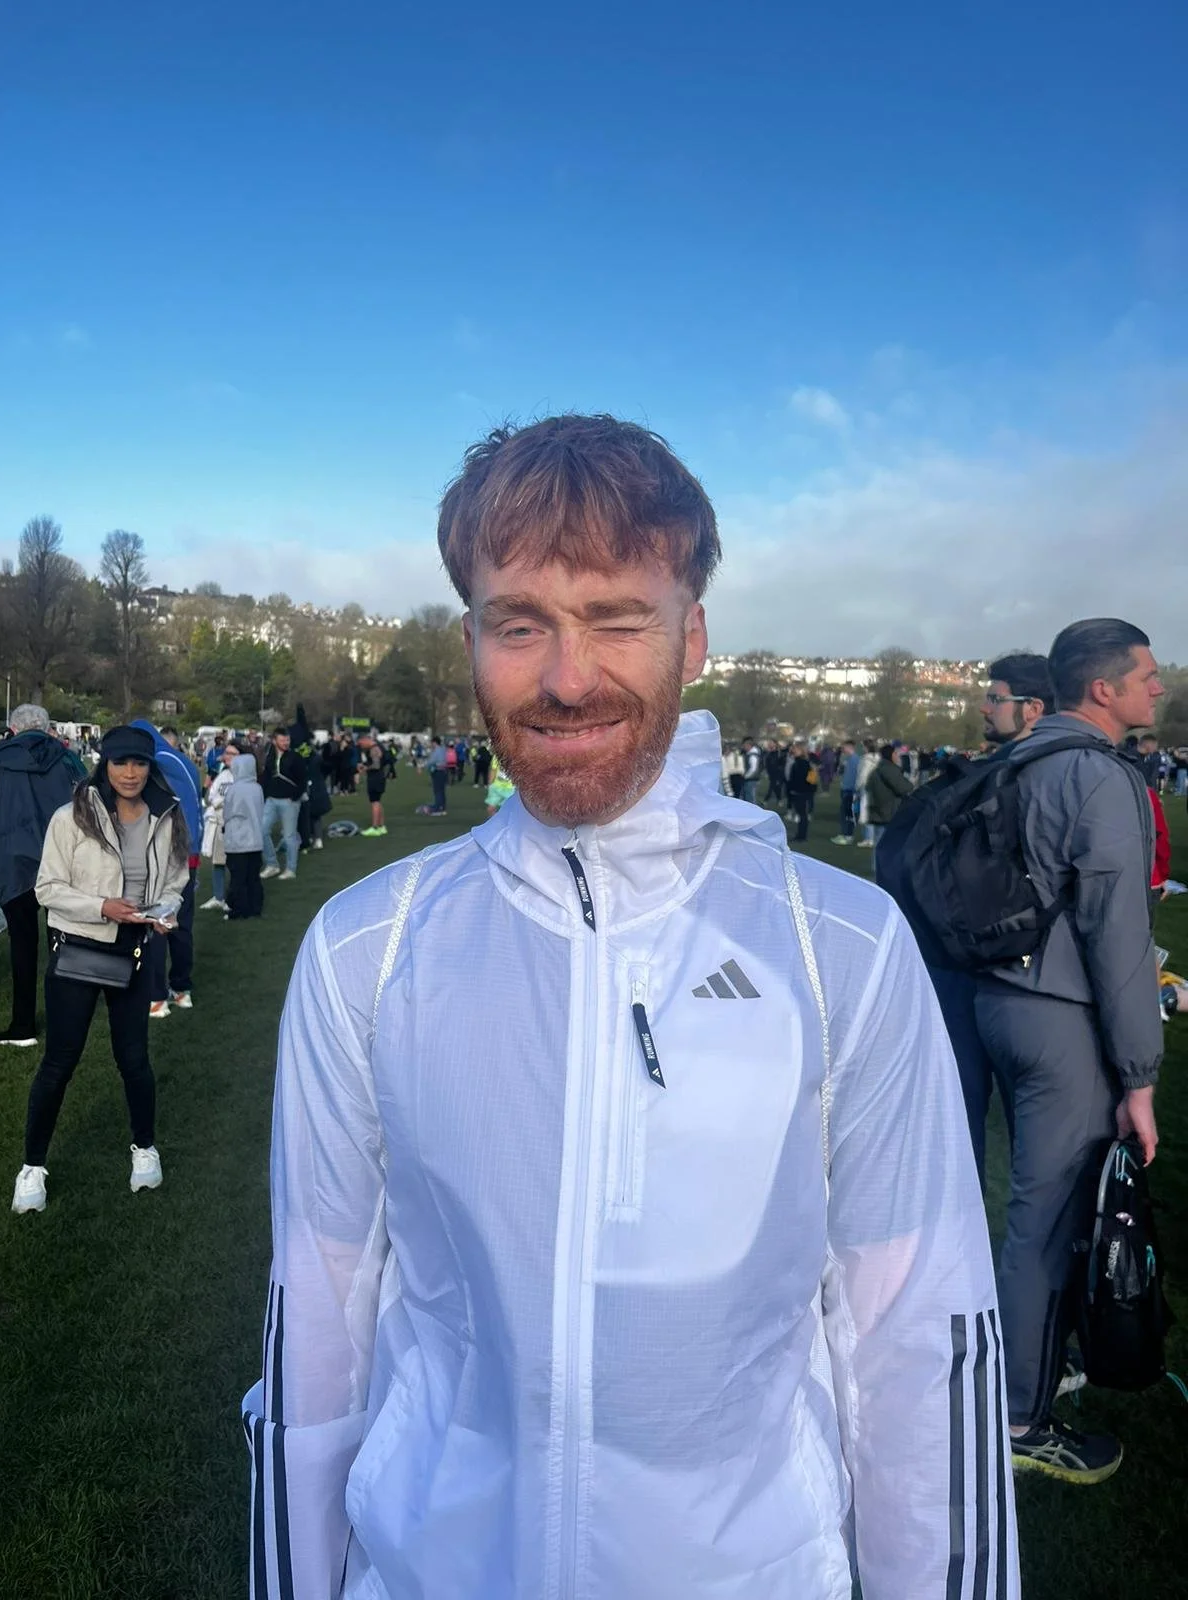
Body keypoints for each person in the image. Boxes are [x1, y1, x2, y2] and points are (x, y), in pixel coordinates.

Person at [244, 413, 1017, 1600]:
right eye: (521, 624)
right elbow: (317, 1346)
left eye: (616, 619)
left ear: (692, 634)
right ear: (472, 639)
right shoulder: (367, 948)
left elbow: (920, 1353)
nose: (566, 677)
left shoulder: (843, 950)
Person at [974, 619, 1163, 1482]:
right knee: (1043, 1228)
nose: (1157, 689)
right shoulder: (1098, 774)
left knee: (1015, 1215)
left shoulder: (1011, 761)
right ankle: (1016, 1419)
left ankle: (1028, 1367)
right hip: (1056, 1018)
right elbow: (1116, 936)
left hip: (988, 1002)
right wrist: (1141, 1077)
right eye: (1147, 677)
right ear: (1102, 691)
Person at [11, 725, 189, 1214]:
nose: (130, 773)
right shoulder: (72, 818)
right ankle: (32, 1166)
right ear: (104, 764)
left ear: (150, 767)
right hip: (78, 951)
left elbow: (176, 878)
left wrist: (164, 909)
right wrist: (101, 907)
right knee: (58, 1063)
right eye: (120, 763)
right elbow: (47, 889)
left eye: (139, 763)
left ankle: (144, 1147)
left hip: (135, 950)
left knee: (134, 1059)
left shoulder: (165, 817)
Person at [926, 653, 1054, 1185]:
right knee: (967, 1123)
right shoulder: (1000, 775)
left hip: (996, 972)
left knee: (1008, 1130)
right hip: (989, 971)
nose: (985, 706)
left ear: (1033, 709)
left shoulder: (1036, 778)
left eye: (996, 697)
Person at [0, 705, 85, 1048]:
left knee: (22, 943)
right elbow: (86, 800)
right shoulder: (67, 758)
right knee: (62, 940)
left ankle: (23, 1023)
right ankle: (64, 1018)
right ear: (46, 728)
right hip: (61, 858)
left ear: (13, 729)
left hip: (13, 859)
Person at [135, 719, 204, 1018]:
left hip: (165, 855)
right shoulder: (184, 763)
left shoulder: (156, 764)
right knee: (182, 924)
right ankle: (182, 989)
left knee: (157, 923)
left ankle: (156, 997)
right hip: (190, 852)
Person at [261, 728, 307, 881]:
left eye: (287, 740)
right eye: (282, 740)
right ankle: (272, 864)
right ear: (274, 741)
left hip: (289, 801)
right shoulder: (270, 755)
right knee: (262, 830)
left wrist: (294, 797)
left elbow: (303, 780)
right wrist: (265, 794)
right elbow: (266, 776)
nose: (286, 743)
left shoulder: (296, 757)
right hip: (271, 800)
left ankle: (290, 869)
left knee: (289, 836)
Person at [223, 754, 266, 919]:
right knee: (253, 877)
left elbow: (228, 813)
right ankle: (255, 908)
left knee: (238, 878)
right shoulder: (257, 788)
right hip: (255, 839)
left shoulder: (234, 790)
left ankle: (239, 910)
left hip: (238, 841)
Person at [200, 739, 241, 909]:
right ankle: (218, 897)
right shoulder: (223, 774)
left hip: (235, 825)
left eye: (232, 753)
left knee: (234, 864)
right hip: (218, 823)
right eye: (227, 753)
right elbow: (211, 796)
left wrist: (220, 801)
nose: (227, 756)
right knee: (218, 862)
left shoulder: (243, 775)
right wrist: (218, 801)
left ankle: (233, 899)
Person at [862, 743, 913, 848]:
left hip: (878, 811)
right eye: (895, 753)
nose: (898, 756)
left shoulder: (877, 769)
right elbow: (904, 788)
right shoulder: (890, 769)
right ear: (891, 754)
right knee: (888, 848)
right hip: (889, 813)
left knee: (879, 847)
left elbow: (868, 786)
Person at [831, 737, 859, 844]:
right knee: (844, 813)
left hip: (850, 790)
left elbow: (855, 776)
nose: (842, 749)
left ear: (849, 747)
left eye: (844, 747)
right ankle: (844, 834)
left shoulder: (855, 759)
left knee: (848, 813)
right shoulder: (848, 759)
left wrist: (854, 790)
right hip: (846, 789)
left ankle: (848, 836)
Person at [784, 739, 813, 841]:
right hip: (798, 791)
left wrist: (799, 789)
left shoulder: (803, 763)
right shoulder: (798, 762)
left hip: (802, 792)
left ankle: (802, 836)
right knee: (801, 814)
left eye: (795, 749)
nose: (793, 750)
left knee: (802, 815)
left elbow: (808, 779)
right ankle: (800, 835)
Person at [362, 738, 388, 836]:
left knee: (374, 802)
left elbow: (376, 765)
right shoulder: (379, 747)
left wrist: (366, 767)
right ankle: (381, 826)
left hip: (375, 778)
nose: (362, 746)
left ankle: (375, 827)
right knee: (378, 801)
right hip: (380, 777)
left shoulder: (373, 749)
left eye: (362, 743)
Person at [424, 735, 449, 815]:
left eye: (431, 743)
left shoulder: (436, 751)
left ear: (434, 742)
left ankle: (438, 808)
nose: (431, 745)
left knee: (437, 791)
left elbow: (431, 761)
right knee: (441, 791)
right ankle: (442, 807)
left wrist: (424, 765)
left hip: (438, 771)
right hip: (443, 771)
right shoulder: (443, 750)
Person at [739, 734, 761, 803]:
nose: (743, 747)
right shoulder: (749, 754)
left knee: (750, 798)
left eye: (744, 745)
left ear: (749, 745)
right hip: (749, 779)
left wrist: (745, 776)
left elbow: (753, 769)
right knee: (747, 797)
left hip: (751, 780)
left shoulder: (753, 755)